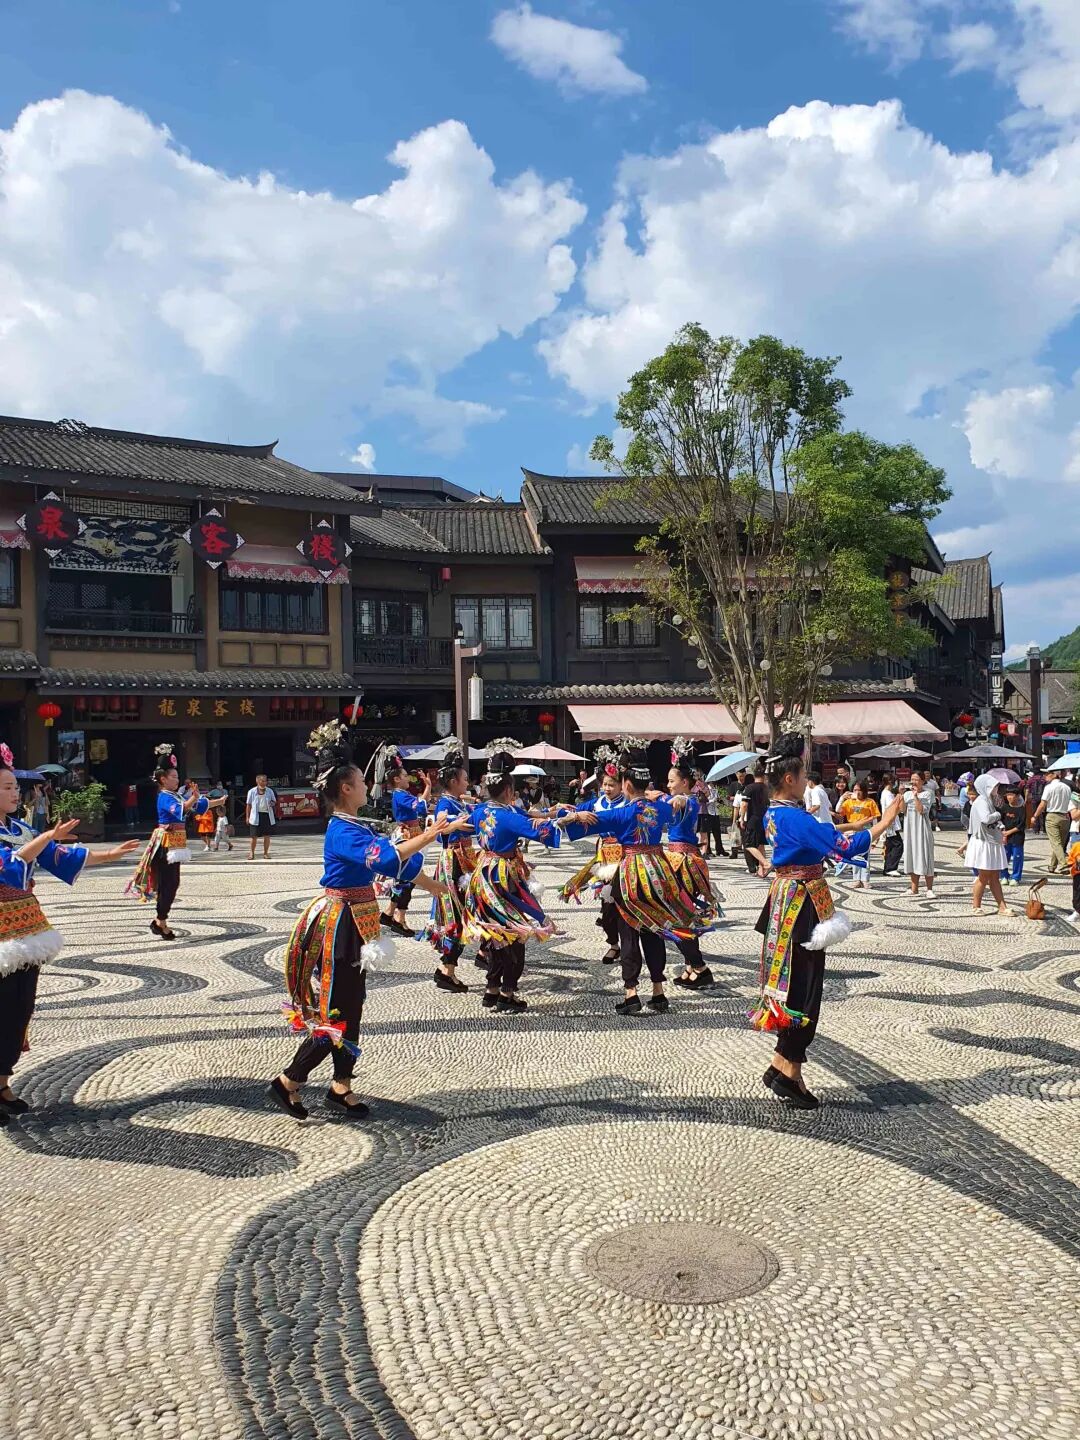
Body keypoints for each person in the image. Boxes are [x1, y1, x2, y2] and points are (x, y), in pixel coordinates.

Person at [271, 724, 462, 1121]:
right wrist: (431, 834)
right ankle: (289, 1080)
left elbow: (397, 865)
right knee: (337, 1008)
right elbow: (386, 859)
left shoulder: (355, 826)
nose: (366, 787)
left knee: (352, 1003)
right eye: (360, 781)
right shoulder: (344, 831)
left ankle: (341, 1085)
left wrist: (435, 887)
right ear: (345, 788)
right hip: (340, 924)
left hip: (357, 920)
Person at [751, 734, 901, 1110]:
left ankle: (784, 1064)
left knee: (795, 982)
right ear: (789, 779)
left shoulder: (775, 813)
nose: (806, 782)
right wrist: (884, 823)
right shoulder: (795, 817)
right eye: (803, 776)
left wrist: (853, 826)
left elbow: (825, 837)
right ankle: (789, 1068)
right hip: (800, 903)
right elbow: (842, 847)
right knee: (804, 987)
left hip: (789, 896)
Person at [0, 753, 140, 1116]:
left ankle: (2, 1082)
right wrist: (47, 836)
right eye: (7, 787)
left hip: (26, 926)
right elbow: (8, 867)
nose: (15, 793)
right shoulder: (23, 836)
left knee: (20, 1005)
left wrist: (110, 855)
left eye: (15, 787)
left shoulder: (20, 830)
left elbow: (58, 855)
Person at [560, 748, 713, 1018]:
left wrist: (572, 817)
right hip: (659, 871)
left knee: (629, 931)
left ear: (627, 785)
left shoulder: (623, 813)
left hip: (631, 873)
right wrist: (674, 798)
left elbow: (586, 822)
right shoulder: (660, 808)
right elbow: (676, 807)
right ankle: (658, 991)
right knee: (654, 929)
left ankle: (631, 992)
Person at [463, 750, 562, 1014]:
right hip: (504, 876)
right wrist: (568, 820)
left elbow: (525, 816)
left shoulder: (482, 810)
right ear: (509, 790)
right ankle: (507, 992)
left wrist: (549, 813)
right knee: (516, 933)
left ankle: (492, 988)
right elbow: (542, 832)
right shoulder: (509, 816)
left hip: (483, 872)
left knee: (496, 932)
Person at [128, 745, 226, 939]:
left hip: (174, 844)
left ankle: (160, 920)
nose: (177, 779)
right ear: (163, 779)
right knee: (169, 882)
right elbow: (181, 809)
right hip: (165, 844)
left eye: (177, 776)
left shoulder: (175, 795)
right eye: (173, 777)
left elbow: (197, 806)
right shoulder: (164, 797)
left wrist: (219, 801)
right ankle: (160, 920)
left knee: (171, 882)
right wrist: (193, 798)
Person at [666, 753, 724, 990]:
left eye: (672, 781)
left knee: (680, 916)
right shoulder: (684, 799)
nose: (668, 785)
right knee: (681, 915)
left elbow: (677, 802)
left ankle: (700, 967)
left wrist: (654, 799)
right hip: (676, 860)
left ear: (684, 782)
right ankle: (691, 966)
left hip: (684, 864)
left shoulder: (687, 801)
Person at [559, 751, 623, 964]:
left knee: (625, 902)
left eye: (612, 785)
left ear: (622, 785)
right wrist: (563, 813)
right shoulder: (596, 803)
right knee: (607, 904)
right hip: (604, 859)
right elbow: (572, 812)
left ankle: (629, 944)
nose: (607, 788)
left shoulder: (628, 803)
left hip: (625, 858)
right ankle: (614, 944)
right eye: (605, 784)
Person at [424, 749, 477, 993]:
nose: (467, 782)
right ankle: (447, 969)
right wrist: (454, 825)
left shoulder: (459, 801)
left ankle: (479, 955)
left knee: (470, 907)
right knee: (455, 912)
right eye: (464, 779)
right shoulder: (445, 803)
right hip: (454, 861)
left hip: (466, 858)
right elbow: (440, 829)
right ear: (454, 781)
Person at [381, 758, 432, 934]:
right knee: (409, 876)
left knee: (406, 876)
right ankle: (398, 917)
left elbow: (422, 805)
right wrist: (427, 787)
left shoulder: (402, 794)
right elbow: (420, 807)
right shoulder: (401, 795)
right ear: (396, 779)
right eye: (404, 775)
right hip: (408, 834)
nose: (407, 778)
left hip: (411, 832)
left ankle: (390, 913)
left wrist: (427, 788)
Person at [961, 774, 1013, 917]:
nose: (996, 788)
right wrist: (998, 814)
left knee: (994, 876)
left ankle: (1002, 907)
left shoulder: (988, 800)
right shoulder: (981, 801)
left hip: (991, 840)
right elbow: (986, 819)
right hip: (984, 842)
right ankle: (976, 906)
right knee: (984, 876)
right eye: (994, 786)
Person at [834, 780, 879, 887]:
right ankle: (856, 879)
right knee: (854, 854)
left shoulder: (870, 802)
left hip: (865, 829)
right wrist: (842, 798)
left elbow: (875, 817)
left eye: (859, 790)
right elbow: (838, 810)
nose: (857, 792)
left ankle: (865, 879)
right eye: (855, 790)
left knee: (865, 855)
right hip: (852, 829)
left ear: (864, 791)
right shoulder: (849, 802)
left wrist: (876, 833)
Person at [899, 770, 936, 898]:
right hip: (910, 828)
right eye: (912, 779)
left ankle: (929, 889)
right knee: (912, 855)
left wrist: (915, 796)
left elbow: (921, 810)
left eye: (916, 779)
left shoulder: (928, 793)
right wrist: (901, 796)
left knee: (925, 856)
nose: (913, 782)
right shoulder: (907, 794)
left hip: (922, 828)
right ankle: (914, 888)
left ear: (922, 781)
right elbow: (902, 810)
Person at [1032, 771, 1072, 873]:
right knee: (1059, 843)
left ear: (1054, 775)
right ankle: (1052, 865)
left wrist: (1035, 816)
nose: (1045, 776)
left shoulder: (1049, 787)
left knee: (1056, 843)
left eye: (1047, 774)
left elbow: (1043, 804)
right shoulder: (1067, 787)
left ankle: (1063, 865)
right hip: (1065, 816)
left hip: (1052, 816)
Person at [741, 764, 770, 878]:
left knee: (749, 844)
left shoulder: (750, 788)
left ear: (753, 775)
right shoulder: (767, 789)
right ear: (764, 775)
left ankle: (765, 863)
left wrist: (742, 818)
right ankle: (762, 870)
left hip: (753, 819)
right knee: (760, 844)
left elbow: (744, 804)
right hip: (764, 819)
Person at [999, 783, 1027, 886]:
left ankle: (1016, 877)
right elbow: (1000, 820)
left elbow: (1022, 825)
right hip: (1005, 838)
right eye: (1008, 795)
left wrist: (1009, 832)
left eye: (1012, 795)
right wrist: (1003, 831)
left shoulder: (1022, 809)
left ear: (1018, 796)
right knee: (1004, 857)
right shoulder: (1004, 808)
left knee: (1017, 857)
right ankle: (1004, 876)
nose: (1009, 797)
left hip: (1017, 837)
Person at [246, 774, 277, 860]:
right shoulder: (252, 791)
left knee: (267, 835)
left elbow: (274, 801)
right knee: (254, 836)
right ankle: (252, 853)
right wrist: (247, 817)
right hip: (255, 815)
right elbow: (248, 805)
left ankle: (266, 853)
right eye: (262, 781)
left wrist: (272, 803)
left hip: (266, 815)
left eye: (265, 781)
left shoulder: (269, 791)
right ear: (257, 781)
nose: (264, 783)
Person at [878, 773, 904, 875]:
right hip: (891, 823)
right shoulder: (888, 794)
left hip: (889, 822)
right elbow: (892, 807)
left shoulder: (885, 793)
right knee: (898, 845)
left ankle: (888, 867)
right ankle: (891, 868)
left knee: (890, 845)